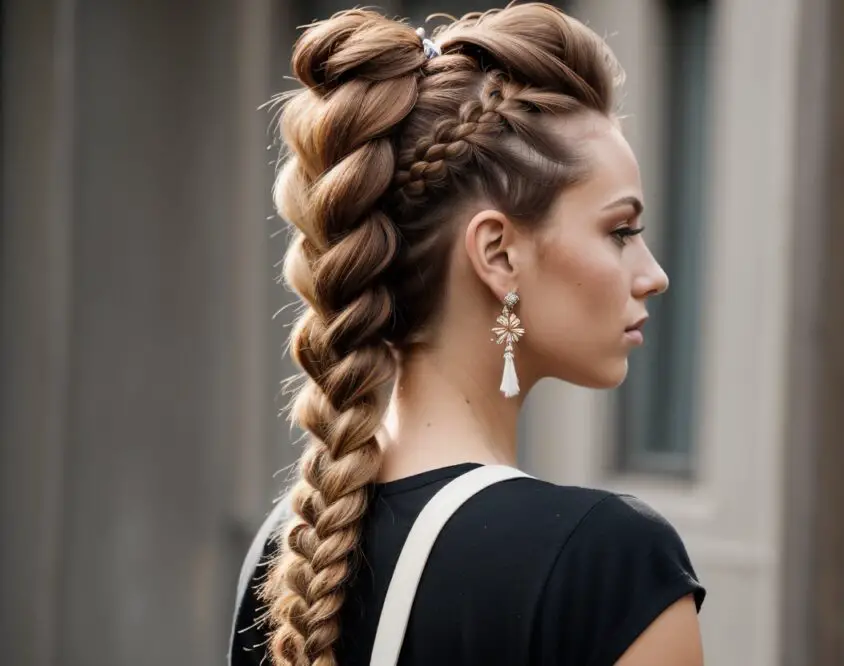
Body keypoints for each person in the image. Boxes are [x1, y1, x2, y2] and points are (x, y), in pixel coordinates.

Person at [230, 4, 706, 665]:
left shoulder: (292, 550)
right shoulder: (609, 562)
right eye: (620, 231)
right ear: (498, 253)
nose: (652, 275)